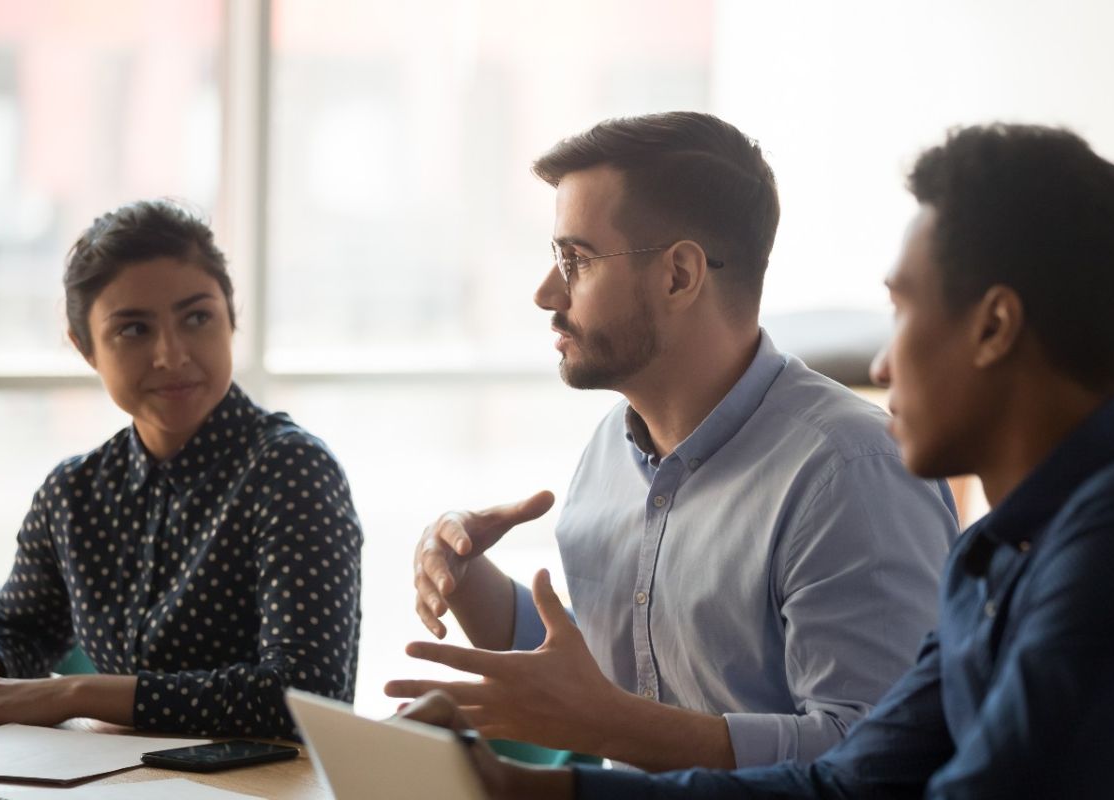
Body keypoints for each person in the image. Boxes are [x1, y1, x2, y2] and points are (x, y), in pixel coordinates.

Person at [402, 122, 1114, 798]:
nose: (882, 365)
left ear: (993, 329)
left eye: (902, 309)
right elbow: (849, 784)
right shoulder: (996, 558)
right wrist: (523, 786)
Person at [387, 112, 958, 771]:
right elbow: (617, 667)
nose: (547, 294)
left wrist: (614, 728)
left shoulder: (850, 471)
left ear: (681, 275)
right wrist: (465, 578)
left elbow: (875, 759)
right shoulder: (609, 449)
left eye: (575, 260)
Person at [0, 200, 363, 738]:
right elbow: (19, 628)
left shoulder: (292, 471)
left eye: (197, 318)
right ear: (85, 348)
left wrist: (73, 693)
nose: (172, 355)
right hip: (114, 781)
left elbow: (305, 695)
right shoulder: (73, 493)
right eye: (134, 330)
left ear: (231, 316)